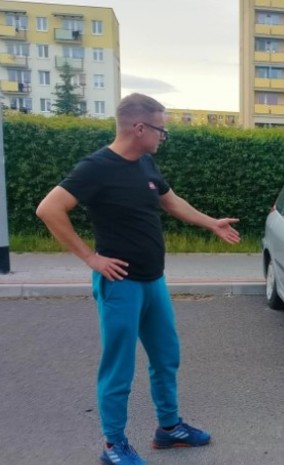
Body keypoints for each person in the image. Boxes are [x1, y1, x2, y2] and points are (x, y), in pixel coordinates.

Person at [36, 93, 240, 465]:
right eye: (161, 130)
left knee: (166, 357)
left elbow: (170, 201)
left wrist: (211, 222)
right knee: (119, 368)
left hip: (153, 281)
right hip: (121, 285)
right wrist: (91, 258)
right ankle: (113, 445)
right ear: (139, 128)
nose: (163, 137)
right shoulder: (96, 167)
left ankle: (169, 428)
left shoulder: (146, 163)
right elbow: (49, 209)